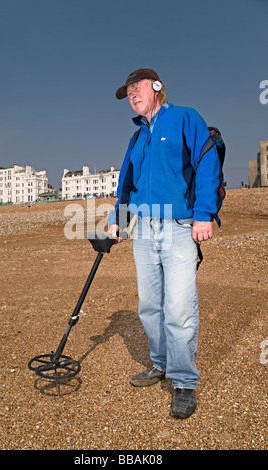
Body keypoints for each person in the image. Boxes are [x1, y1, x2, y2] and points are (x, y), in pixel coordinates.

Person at [107, 68, 223, 419]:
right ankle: (160, 363)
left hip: (178, 226)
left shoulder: (185, 118)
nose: (131, 94)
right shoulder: (137, 136)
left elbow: (206, 161)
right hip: (143, 228)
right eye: (127, 92)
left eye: (136, 88)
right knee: (148, 305)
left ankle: (184, 381)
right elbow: (128, 181)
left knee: (178, 307)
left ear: (157, 87)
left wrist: (204, 213)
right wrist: (119, 221)